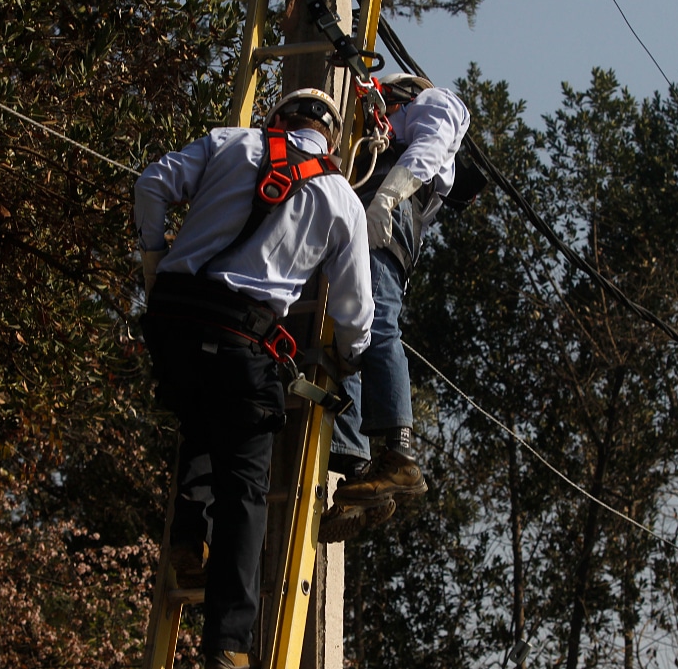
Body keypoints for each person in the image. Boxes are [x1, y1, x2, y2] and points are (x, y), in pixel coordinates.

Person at [134, 88, 373, 669]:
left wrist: (151, 258)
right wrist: (351, 355)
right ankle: (228, 648)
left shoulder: (229, 142)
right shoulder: (341, 198)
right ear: (334, 142)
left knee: (197, 417)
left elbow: (150, 184)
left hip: (172, 322)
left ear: (276, 119)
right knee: (244, 490)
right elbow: (355, 313)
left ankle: (191, 533)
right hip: (244, 340)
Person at [320, 73, 470, 543]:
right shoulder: (378, 137)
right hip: (366, 207)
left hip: (387, 210)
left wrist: (386, 197)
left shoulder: (436, 102)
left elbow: (427, 152)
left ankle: (398, 454)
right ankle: (358, 465)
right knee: (344, 324)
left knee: (376, 318)